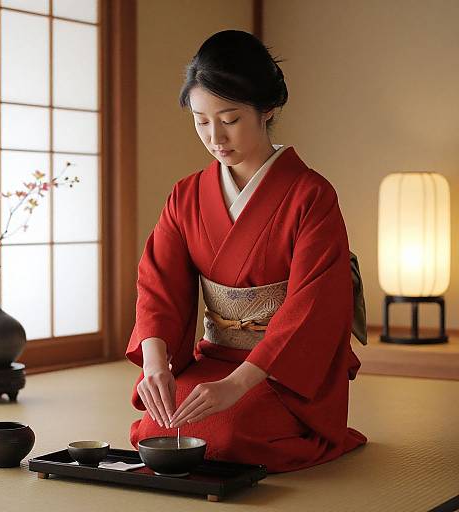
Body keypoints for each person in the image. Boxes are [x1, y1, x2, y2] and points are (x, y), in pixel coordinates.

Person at [125, 30, 367, 473]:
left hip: (285, 371)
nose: (215, 136)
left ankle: (305, 431)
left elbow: (312, 308)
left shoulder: (310, 195)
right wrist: (156, 363)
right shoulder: (186, 196)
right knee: (153, 429)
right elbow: (157, 284)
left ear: (267, 108)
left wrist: (238, 384)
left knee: (229, 435)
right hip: (216, 358)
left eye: (230, 119)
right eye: (201, 120)